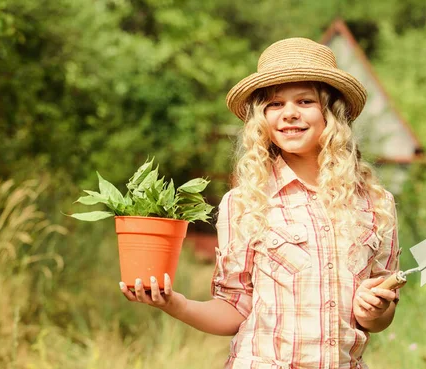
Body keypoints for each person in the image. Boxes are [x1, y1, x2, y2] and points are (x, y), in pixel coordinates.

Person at [119, 37, 401, 369]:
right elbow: (235, 308)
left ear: (332, 112)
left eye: (305, 101)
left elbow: (378, 318)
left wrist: (378, 309)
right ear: (261, 119)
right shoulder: (246, 202)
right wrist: (174, 304)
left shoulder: (374, 203)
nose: (289, 114)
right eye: (275, 104)